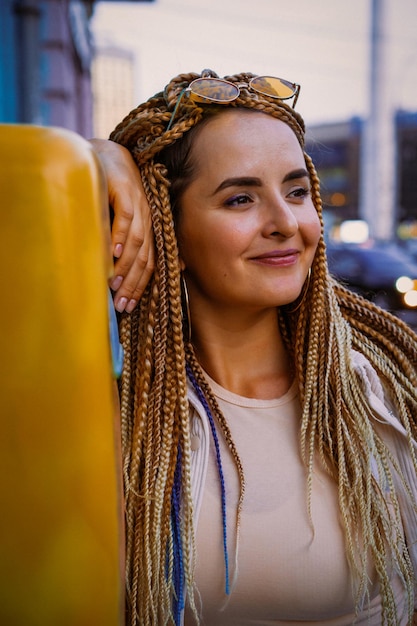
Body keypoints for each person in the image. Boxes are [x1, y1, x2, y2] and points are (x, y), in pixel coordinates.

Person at [92, 69, 417, 625]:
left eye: (295, 191)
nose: (286, 222)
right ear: (165, 225)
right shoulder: (122, 417)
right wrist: (97, 158)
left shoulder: (381, 388)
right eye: (241, 198)